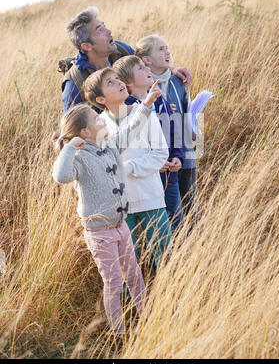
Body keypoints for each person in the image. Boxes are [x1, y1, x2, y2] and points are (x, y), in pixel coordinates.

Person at [52, 72, 162, 335]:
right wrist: (68, 148)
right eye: (96, 120)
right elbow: (61, 176)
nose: (102, 121)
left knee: (135, 276)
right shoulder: (77, 157)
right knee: (113, 283)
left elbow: (131, 129)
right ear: (84, 132)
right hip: (99, 233)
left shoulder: (110, 145)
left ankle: (147, 319)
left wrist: (146, 105)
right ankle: (119, 333)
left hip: (120, 226)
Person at [83, 63, 172, 269]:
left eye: (118, 78)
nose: (119, 83)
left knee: (164, 254)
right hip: (120, 206)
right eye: (110, 83)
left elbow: (160, 154)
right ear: (101, 100)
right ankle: (134, 299)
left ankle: (172, 296)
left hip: (150, 198)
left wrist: (129, 167)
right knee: (127, 261)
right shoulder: (100, 124)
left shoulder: (144, 112)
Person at [61, 6, 192, 112]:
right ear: (87, 46)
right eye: (100, 30)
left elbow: (146, 65)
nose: (109, 31)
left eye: (104, 25)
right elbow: (72, 130)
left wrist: (171, 68)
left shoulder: (120, 50)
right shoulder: (74, 84)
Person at [113, 55, 185, 233]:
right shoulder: (126, 109)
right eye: (140, 68)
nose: (147, 70)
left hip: (170, 175)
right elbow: (130, 147)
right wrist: (154, 164)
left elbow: (173, 132)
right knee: (155, 228)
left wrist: (177, 156)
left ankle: (178, 260)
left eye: (146, 66)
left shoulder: (160, 100)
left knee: (176, 222)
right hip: (147, 180)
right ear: (128, 82)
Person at [135, 35, 197, 217]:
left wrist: (194, 128)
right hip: (162, 160)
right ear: (146, 60)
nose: (167, 52)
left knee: (191, 204)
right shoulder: (143, 86)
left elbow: (188, 109)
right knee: (171, 209)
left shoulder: (178, 81)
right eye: (160, 49)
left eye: (167, 47)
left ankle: (195, 241)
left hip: (186, 151)